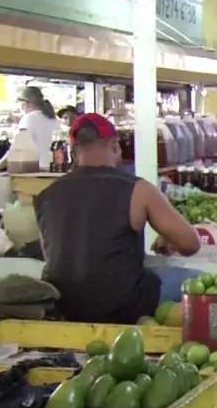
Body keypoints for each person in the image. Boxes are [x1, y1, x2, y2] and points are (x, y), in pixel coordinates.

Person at [34, 113, 201, 324]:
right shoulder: (137, 189)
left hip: (63, 303)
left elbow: (52, 253)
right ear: (115, 146)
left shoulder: (46, 195)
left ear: (75, 154)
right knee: (198, 280)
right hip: (122, 306)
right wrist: (167, 235)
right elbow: (191, 244)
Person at [0, 86, 61, 172]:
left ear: (27, 102)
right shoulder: (52, 118)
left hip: (38, 172)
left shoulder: (29, 118)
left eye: (21, 103)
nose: (21, 107)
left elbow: (17, 149)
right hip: (53, 170)